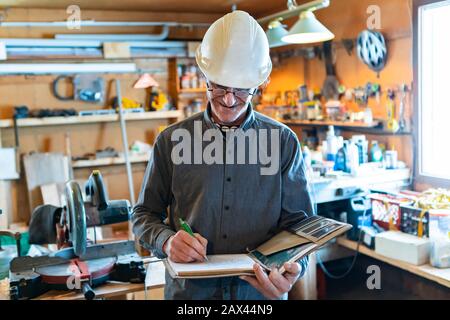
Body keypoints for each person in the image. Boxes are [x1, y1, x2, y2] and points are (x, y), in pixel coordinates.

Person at [132, 10, 314, 300]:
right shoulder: (170, 141)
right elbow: (142, 215)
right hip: (191, 298)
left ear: (259, 84)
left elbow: (300, 227)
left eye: (242, 90)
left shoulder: (283, 142)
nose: (229, 99)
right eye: (218, 85)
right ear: (205, 74)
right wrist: (166, 241)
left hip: (258, 298)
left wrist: (296, 266)